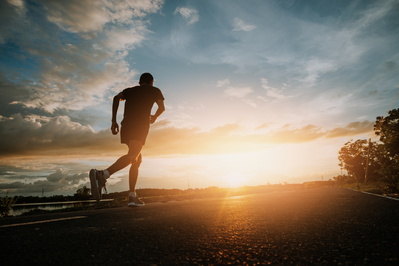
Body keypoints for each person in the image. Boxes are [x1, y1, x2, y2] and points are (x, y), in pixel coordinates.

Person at [89, 72, 165, 207]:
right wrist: (154, 117)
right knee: (132, 156)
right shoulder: (154, 90)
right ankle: (103, 174)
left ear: (140, 82)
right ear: (152, 81)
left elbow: (116, 98)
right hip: (140, 125)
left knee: (137, 159)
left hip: (126, 126)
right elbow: (161, 107)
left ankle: (132, 196)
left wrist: (114, 121)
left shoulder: (131, 90)